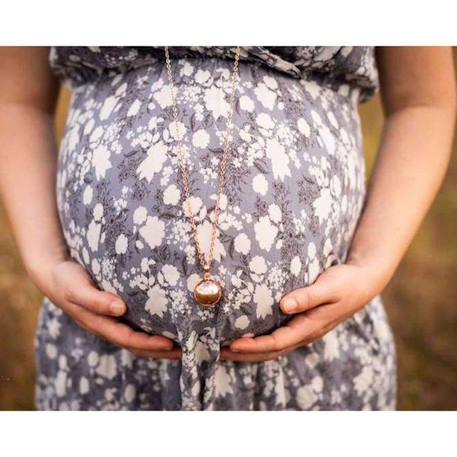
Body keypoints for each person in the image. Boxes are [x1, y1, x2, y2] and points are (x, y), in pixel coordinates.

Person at [0, 46, 454, 410]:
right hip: (105, 366)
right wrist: (44, 256)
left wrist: (372, 264)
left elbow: (424, 101)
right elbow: (15, 97)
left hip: (318, 365)